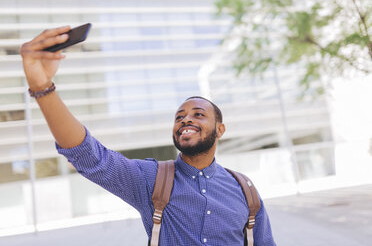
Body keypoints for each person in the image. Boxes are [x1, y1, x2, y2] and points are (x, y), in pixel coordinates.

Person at [20, 26, 276, 246]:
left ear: (220, 129)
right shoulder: (151, 180)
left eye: (198, 114)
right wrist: (41, 86)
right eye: (179, 116)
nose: (186, 119)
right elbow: (88, 156)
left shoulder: (245, 189)